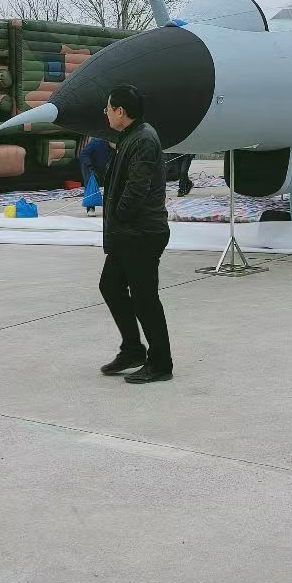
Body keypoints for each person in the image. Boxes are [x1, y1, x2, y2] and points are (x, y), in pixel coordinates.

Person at [96, 84, 174, 383]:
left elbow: (137, 188)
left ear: (120, 111)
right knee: (111, 286)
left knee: (145, 299)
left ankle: (161, 363)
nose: (106, 113)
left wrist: (120, 215)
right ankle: (132, 350)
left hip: (141, 232)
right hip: (128, 232)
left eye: (108, 108)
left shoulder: (143, 139)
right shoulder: (131, 136)